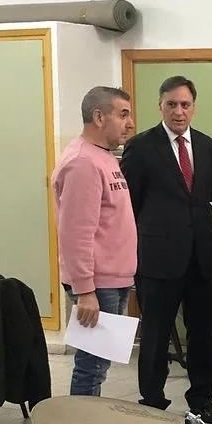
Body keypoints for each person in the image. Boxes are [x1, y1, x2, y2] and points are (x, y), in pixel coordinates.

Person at [121, 76, 212, 423]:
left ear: (194, 106)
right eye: (172, 104)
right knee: (156, 333)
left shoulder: (210, 147)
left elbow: (204, 200)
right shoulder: (142, 147)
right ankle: (152, 400)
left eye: (185, 104)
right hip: (157, 258)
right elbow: (129, 206)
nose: (179, 111)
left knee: (203, 333)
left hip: (200, 257)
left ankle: (201, 399)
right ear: (160, 106)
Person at [53, 87, 136, 397]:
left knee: (100, 365)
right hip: (96, 284)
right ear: (99, 117)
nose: (130, 123)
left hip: (112, 279)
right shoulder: (82, 162)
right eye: (123, 114)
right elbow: (75, 232)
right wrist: (85, 290)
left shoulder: (104, 157)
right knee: (91, 367)